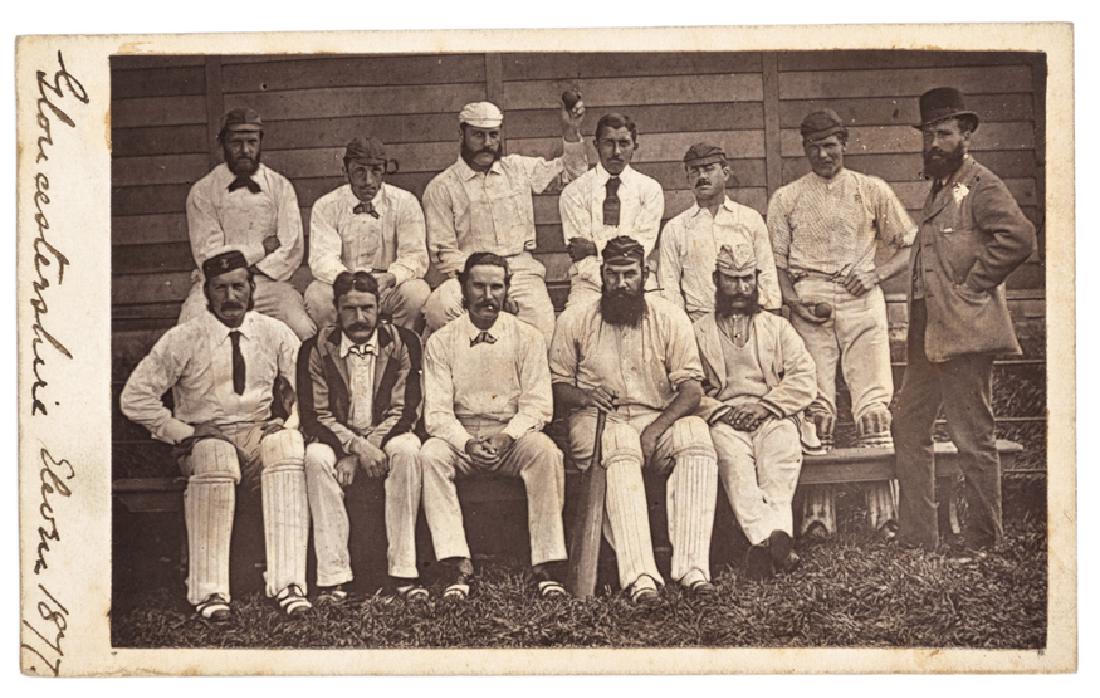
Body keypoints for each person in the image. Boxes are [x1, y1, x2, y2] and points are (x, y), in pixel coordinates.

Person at [120, 249, 311, 622]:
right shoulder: (184, 338)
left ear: (252, 288)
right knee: (215, 456)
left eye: (238, 286)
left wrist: (288, 422)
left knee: (288, 444)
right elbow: (134, 397)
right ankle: (209, 592)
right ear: (206, 293)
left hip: (256, 432)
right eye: (220, 288)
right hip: (205, 439)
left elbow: (308, 386)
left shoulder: (274, 332)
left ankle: (289, 584)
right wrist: (184, 432)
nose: (230, 297)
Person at [894, 87, 1036, 552]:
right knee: (908, 425)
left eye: (944, 133)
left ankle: (983, 539)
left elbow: (1019, 238)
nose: (934, 143)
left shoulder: (981, 185)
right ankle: (919, 536)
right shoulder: (941, 187)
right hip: (928, 333)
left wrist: (974, 286)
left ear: (966, 135)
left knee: (972, 437)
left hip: (965, 332)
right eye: (928, 134)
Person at [767, 108, 917, 539]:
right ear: (804, 148)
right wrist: (795, 303)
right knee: (817, 410)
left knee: (873, 409)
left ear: (844, 144)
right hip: (810, 299)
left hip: (860, 296)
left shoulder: (871, 189)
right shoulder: (787, 198)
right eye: (814, 147)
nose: (822, 154)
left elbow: (909, 245)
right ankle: (818, 517)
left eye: (830, 145)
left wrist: (875, 274)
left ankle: (885, 516)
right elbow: (776, 266)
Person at [550, 236, 719, 605]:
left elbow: (692, 390)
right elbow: (557, 384)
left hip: (656, 417)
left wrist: (655, 430)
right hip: (597, 420)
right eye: (613, 275)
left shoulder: (669, 317)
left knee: (695, 433)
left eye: (630, 274)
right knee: (620, 443)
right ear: (601, 274)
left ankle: (693, 569)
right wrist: (584, 396)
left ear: (646, 273)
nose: (621, 284)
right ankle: (640, 576)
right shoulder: (575, 319)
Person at [420, 253, 569, 599]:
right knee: (430, 455)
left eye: (496, 287)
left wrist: (506, 437)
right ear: (463, 288)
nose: (488, 296)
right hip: (461, 437)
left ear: (506, 289)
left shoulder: (527, 337)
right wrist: (467, 443)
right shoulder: (442, 341)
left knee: (546, 452)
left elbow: (538, 405)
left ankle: (547, 565)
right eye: (479, 286)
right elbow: (437, 413)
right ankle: (456, 563)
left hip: (511, 435)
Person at [298, 271, 426, 603]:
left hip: (386, 436)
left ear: (379, 307)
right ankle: (333, 577)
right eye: (349, 309)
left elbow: (406, 409)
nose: (359, 318)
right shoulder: (316, 348)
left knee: (408, 449)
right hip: (338, 439)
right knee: (315, 457)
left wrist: (367, 448)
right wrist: (354, 447)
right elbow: (315, 415)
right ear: (336, 309)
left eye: (367, 308)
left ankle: (404, 573)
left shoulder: (403, 342)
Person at [694, 244, 817, 580]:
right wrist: (721, 411)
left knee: (780, 461)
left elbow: (805, 377)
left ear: (757, 279)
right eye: (731, 280)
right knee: (736, 469)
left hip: (772, 414)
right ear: (716, 280)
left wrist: (765, 406)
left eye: (747, 279)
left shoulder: (777, 328)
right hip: (724, 420)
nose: (740, 289)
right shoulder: (697, 331)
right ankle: (778, 543)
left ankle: (763, 543)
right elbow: (686, 387)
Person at [421, 98, 587, 344]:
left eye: (493, 135)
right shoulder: (441, 187)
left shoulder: (518, 169)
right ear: (461, 135)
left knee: (543, 333)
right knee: (439, 308)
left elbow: (573, 174)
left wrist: (571, 130)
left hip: (520, 272)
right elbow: (444, 252)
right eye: (478, 135)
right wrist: (483, 283)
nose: (487, 144)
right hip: (469, 273)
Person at [178, 107, 315, 340]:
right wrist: (261, 249)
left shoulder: (280, 186)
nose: (245, 150)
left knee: (303, 329)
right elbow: (209, 255)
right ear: (222, 144)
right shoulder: (203, 191)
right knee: (187, 330)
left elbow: (290, 247)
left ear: (260, 143)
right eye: (236, 143)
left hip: (268, 283)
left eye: (252, 142)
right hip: (218, 283)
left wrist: (250, 268)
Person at [304, 137, 430, 331]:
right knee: (317, 296)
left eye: (376, 171)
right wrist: (350, 282)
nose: (368, 181)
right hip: (344, 285)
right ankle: (336, 345)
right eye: (359, 171)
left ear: (384, 171)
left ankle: (399, 344)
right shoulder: (326, 206)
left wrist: (391, 277)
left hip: (387, 287)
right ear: (345, 171)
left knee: (416, 293)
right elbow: (322, 258)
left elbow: (414, 255)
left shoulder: (405, 202)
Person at [659, 142, 781, 321]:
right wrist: (682, 327)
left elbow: (767, 273)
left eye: (709, 169)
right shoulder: (675, 228)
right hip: (698, 320)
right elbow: (669, 287)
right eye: (695, 171)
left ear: (725, 173)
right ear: (688, 179)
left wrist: (770, 319)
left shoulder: (750, 219)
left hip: (747, 318)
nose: (702, 176)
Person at [558, 112, 663, 308]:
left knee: (658, 317)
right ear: (596, 145)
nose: (616, 152)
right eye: (608, 143)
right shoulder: (575, 192)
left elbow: (642, 246)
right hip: (589, 282)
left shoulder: (650, 189)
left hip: (637, 278)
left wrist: (594, 247)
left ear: (635, 146)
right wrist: (610, 282)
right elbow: (580, 254)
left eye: (624, 143)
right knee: (574, 319)